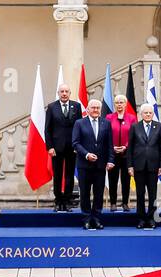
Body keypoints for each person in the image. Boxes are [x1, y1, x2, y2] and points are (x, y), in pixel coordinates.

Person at [72, 99, 114, 230]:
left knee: (98, 193)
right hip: (84, 165)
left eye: (97, 108)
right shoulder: (79, 123)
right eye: (93, 108)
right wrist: (87, 154)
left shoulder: (106, 123)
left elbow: (109, 144)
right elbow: (75, 143)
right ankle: (86, 219)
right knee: (84, 193)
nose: (95, 110)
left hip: (100, 166)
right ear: (88, 109)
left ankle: (96, 218)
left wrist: (111, 160)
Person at [43, 83, 83, 212]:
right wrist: (49, 147)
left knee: (70, 175)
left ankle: (67, 201)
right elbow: (47, 129)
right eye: (62, 91)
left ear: (70, 93)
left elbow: (79, 127)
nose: (64, 93)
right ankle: (58, 201)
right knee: (58, 175)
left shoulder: (76, 106)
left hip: (72, 147)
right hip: (56, 148)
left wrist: (78, 145)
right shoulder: (51, 107)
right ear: (58, 93)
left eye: (66, 91)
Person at [127, 103, 161, 228]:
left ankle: (151, 218)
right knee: (140, 193)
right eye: (145, 113)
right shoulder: (135, 127)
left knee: (153, 194)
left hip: (154, 166)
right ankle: (141, 219)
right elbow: (130, 148)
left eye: (150, 113)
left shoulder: (159, 126)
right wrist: (130, 166)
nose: (148, 114)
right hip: (138, 166)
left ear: (153, 114)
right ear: (141, 114)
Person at [105, 93, 136, 211]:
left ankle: (125, 203)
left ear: (125, 104)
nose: (119, 105)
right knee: (112, 179)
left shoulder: (131, 118)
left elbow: (133, 135)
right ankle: (113, 203)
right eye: (117, 102)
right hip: (112, 154)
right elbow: (106, 134)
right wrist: (112, 147)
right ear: (114, 104)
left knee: (125, 180)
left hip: (126, 154)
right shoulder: (109, 117)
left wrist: (125, 147)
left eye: (121, 102)